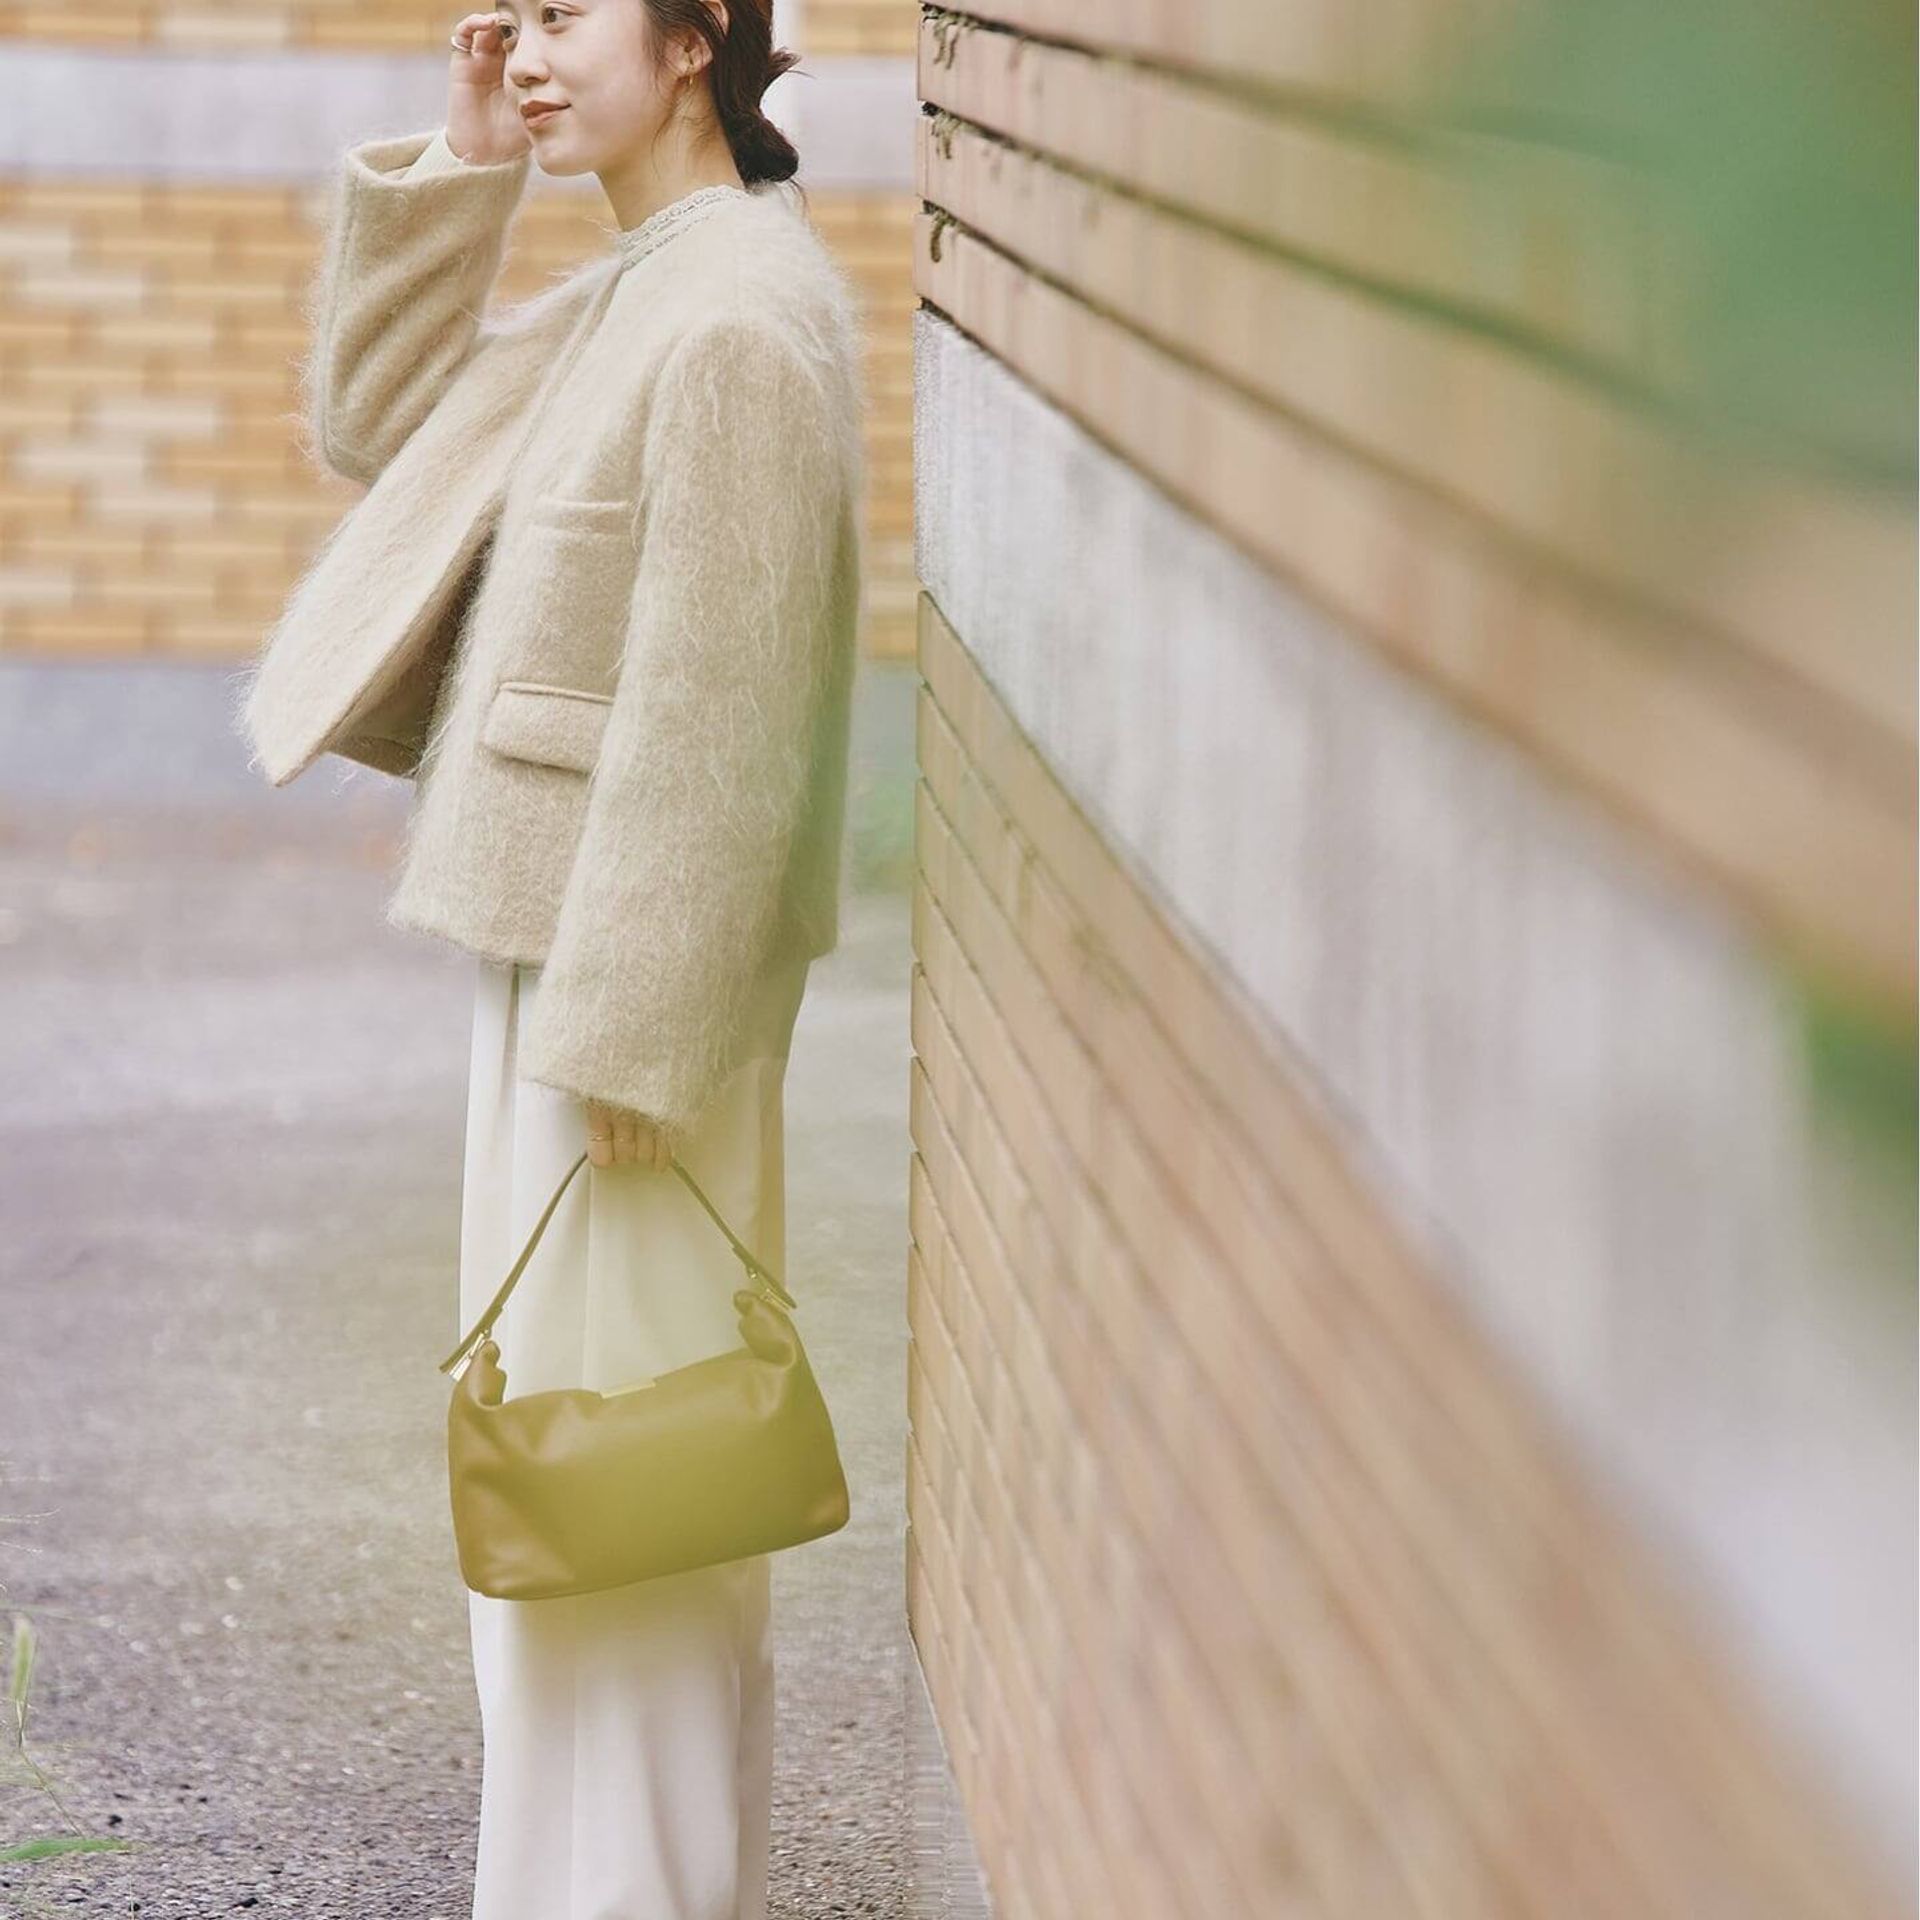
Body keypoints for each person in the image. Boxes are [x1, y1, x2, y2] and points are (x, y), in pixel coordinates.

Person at [235, 3, 866, 1914]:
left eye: (569, 14)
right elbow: (382, 431)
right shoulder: (658, 275)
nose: (522, 48)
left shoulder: (730, 313)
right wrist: (466, 168)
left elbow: (720, 710)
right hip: (579, 962)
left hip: (627, 999)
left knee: (616, 1495)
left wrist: (632, 1041)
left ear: (692, 42)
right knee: (596, 1481)